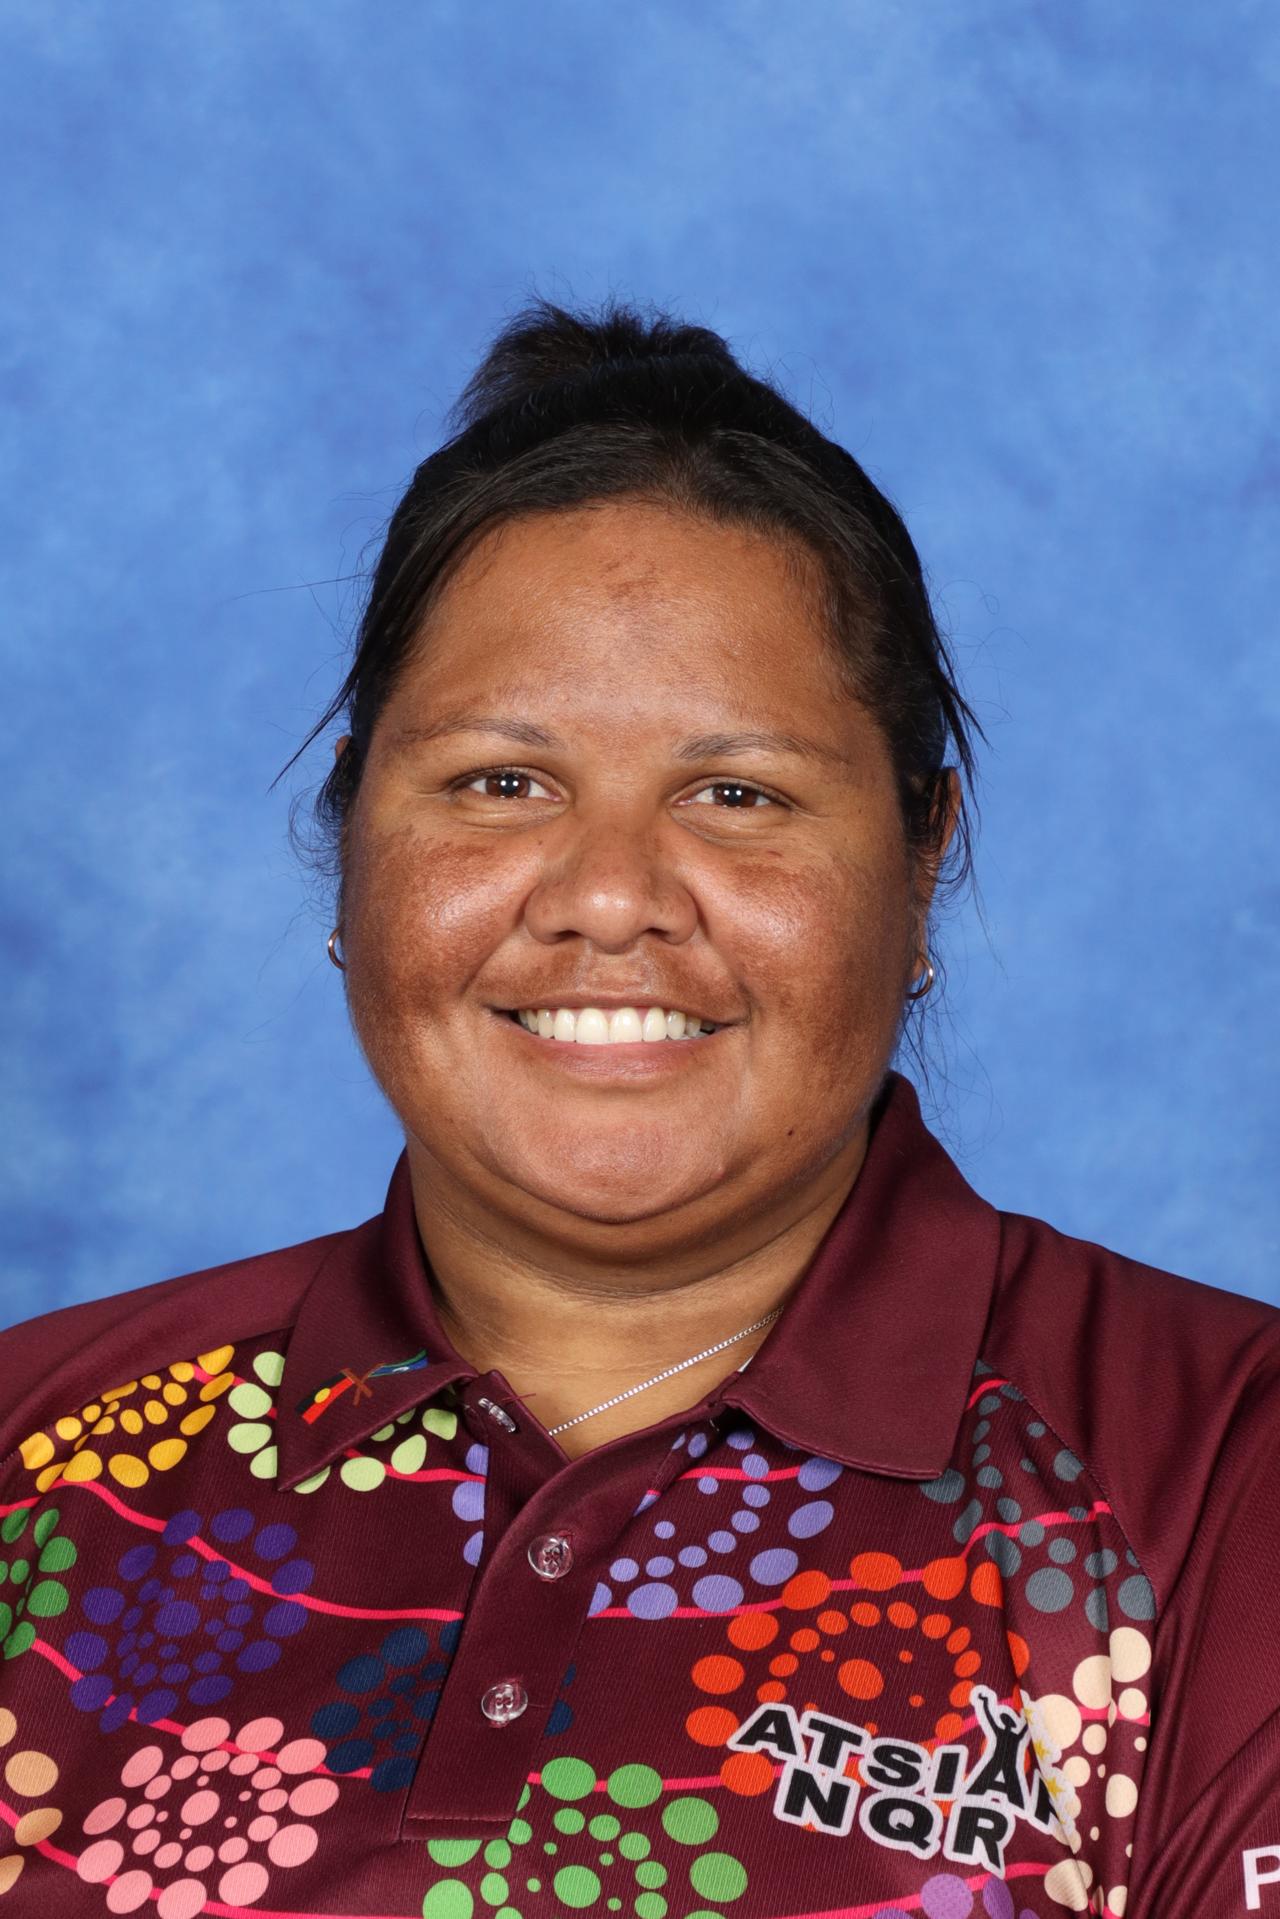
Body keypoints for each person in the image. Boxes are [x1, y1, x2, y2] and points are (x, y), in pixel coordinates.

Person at [0, 300, 1275, 1919]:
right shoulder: (42, 1461)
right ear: (352, 837)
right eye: (500, 783)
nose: (608, 899)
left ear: (923, 855)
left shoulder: (1221, 1481)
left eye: (736, 794)